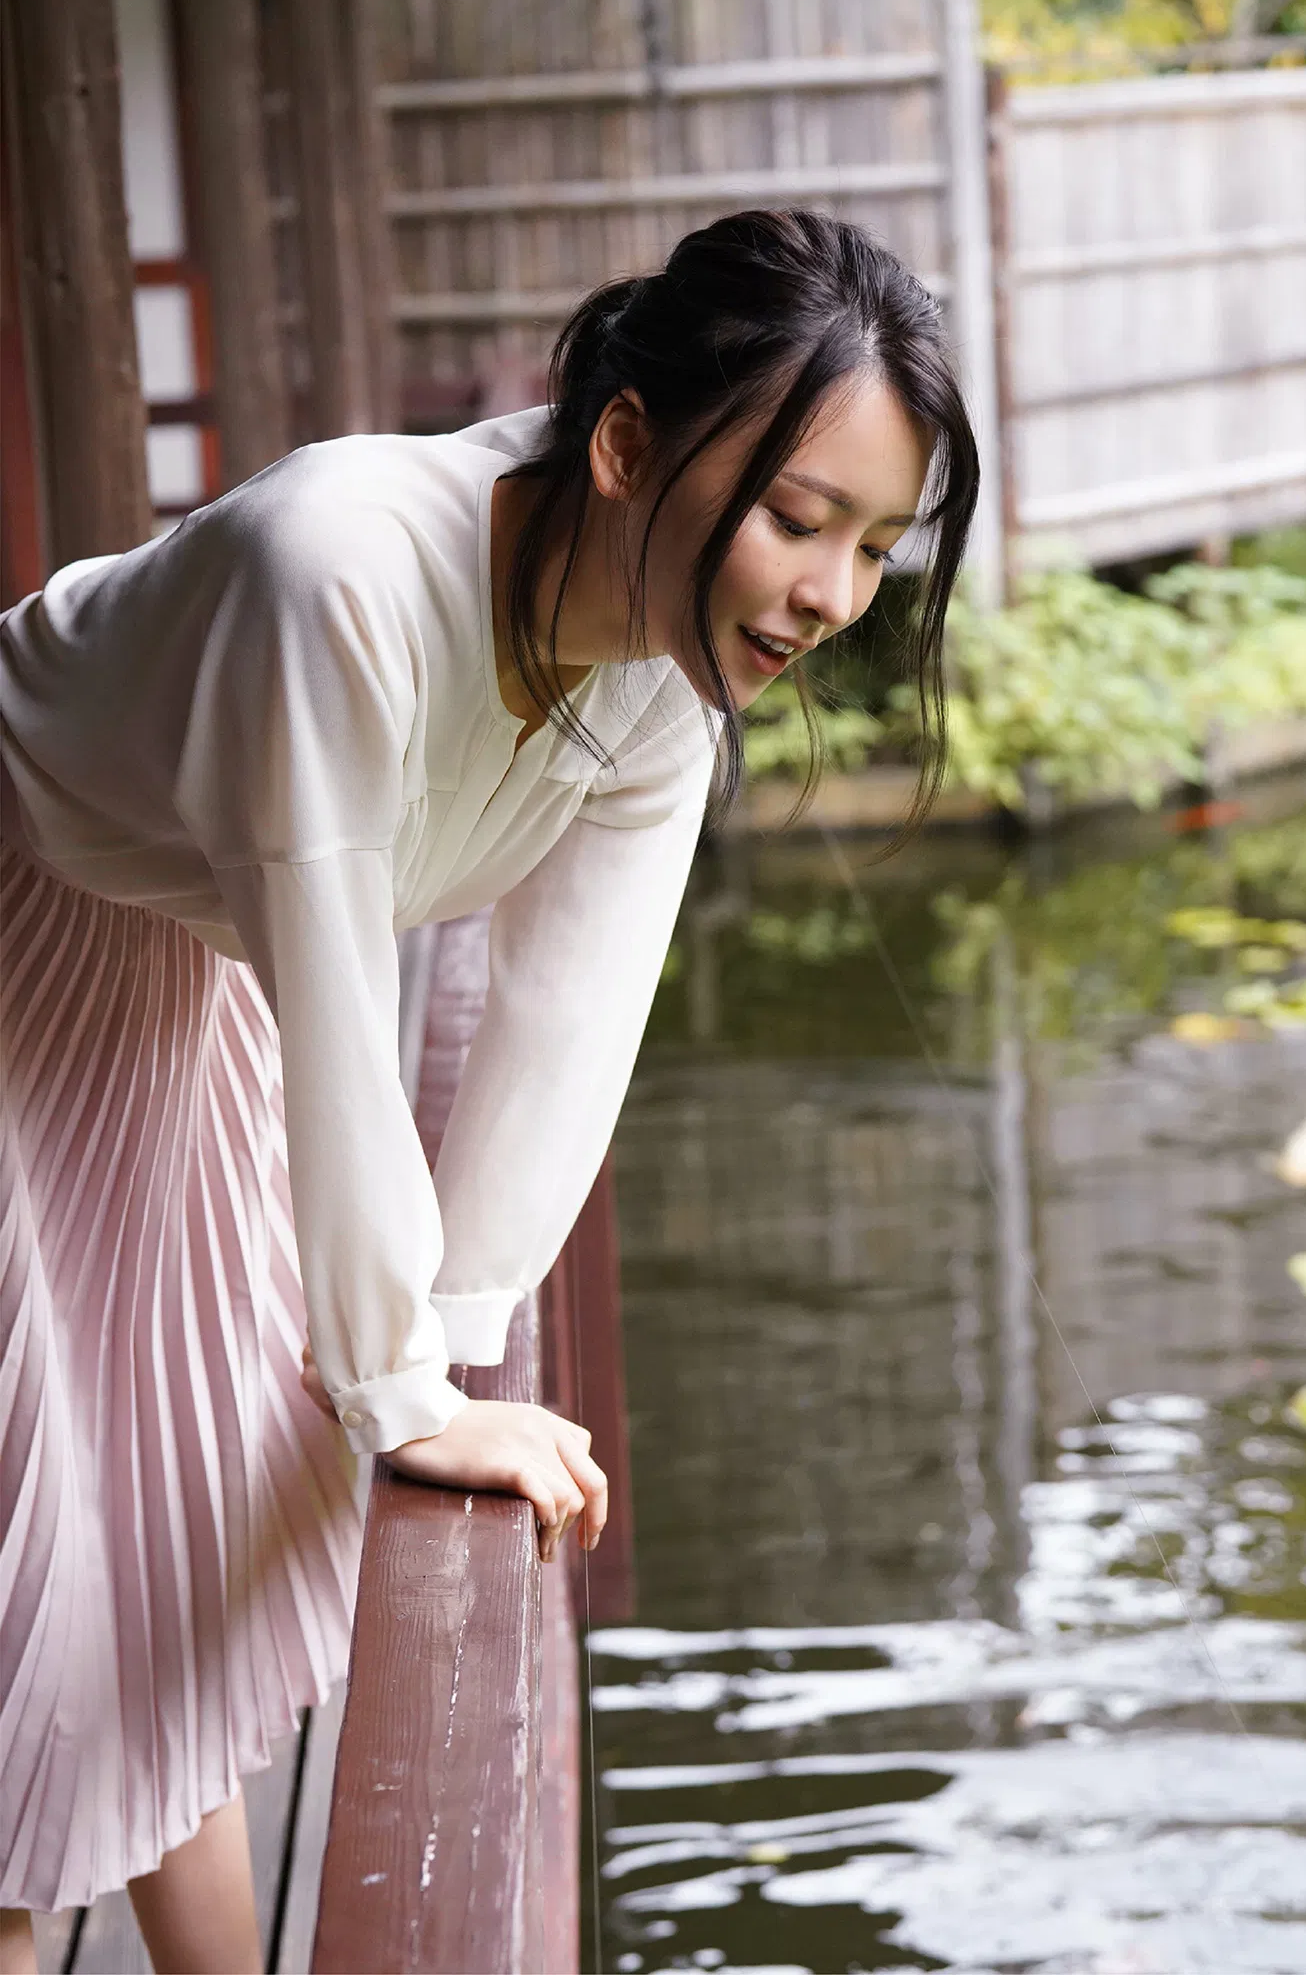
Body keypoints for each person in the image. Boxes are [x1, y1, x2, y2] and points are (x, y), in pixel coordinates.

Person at [0, 207, 977, 1972]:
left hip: (164, 970)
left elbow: (564, 1022)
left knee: (141, 1564)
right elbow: (331, 975)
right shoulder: (343, 574)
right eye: (797, 519)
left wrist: (448, 1332)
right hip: (21, 925)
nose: (832, 597)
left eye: (874, 546)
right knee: (24, 1609)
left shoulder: (667, 680)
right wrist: (396, 1385)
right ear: (623, 445)